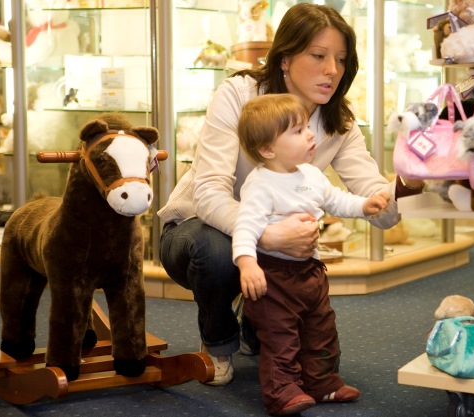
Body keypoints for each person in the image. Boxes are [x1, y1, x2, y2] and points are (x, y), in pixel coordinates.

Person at [157, 2, 424, 388]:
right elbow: (210, 193)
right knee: (216, 252)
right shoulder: (239, 93)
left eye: (341, 59)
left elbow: (379, 209)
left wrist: (410, 182)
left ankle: (258, 322)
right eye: (318, 56)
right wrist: (265, 234)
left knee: (310, 354)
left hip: (277, 253)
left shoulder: (339, 122)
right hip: (194, 232)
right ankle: (217, 341)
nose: (332, 70)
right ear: (285, 58)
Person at [234, 93, 389, 415]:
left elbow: (334, 200)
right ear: (267, 149)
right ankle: (282, 392)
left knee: (320, 330)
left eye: (307, 127)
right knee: (281, 337)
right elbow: (245, 227)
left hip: (310, 272)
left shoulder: (311, 174)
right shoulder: (260, 184)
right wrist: (247, 263)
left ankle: (322, 383)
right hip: (272, 277)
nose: (309, 135)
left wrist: (363, 205)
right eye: (297, 131)